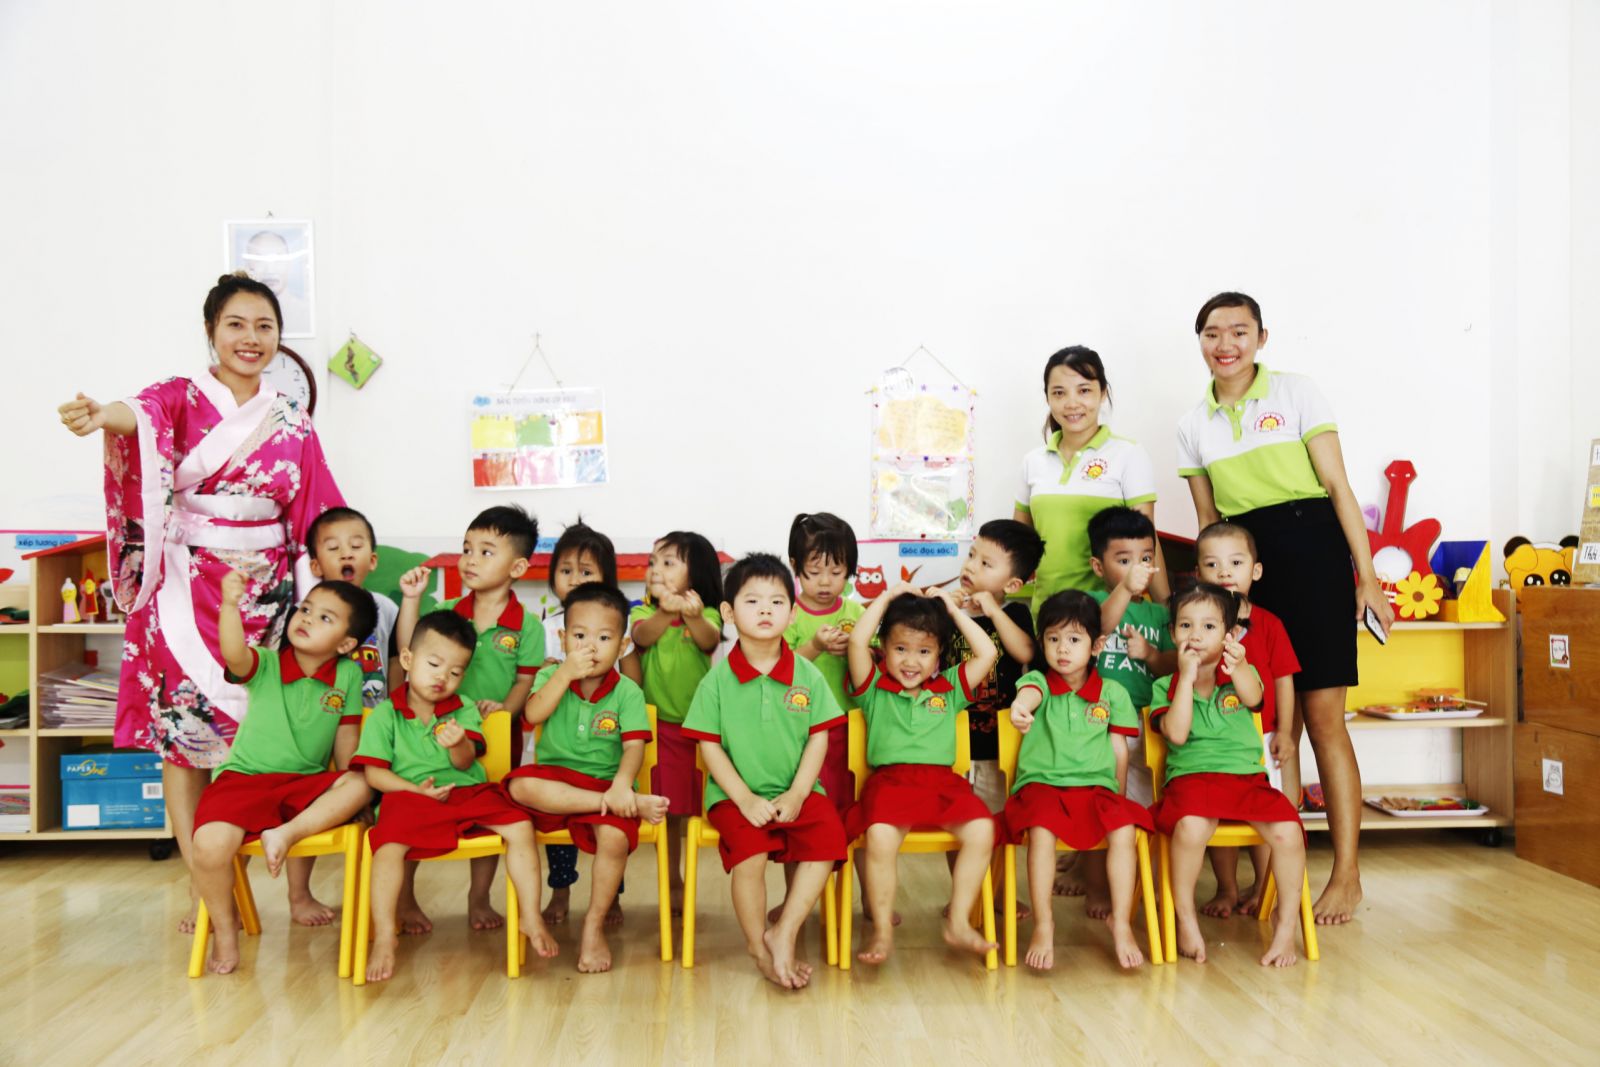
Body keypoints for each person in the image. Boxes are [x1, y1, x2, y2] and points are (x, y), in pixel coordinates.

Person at [56, 272, 346, 933]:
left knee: (286, 740)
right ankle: (204, 884)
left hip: (270, 593)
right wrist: (102, 415)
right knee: (184, 739)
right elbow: (136, 415)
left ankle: (297, 889)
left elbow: (316, 506)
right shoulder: (178, 397)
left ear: (279, 337)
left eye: (264, 326)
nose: (251, 338)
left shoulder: (291, 419)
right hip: (184, 588)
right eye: (235, 324)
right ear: (212, 331)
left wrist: (334, 586)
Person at [1177, 291, 1393, 924]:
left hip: (1313, 559)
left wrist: (1367, 578)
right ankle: (1268, 880)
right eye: (1212, 333)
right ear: (1200, 341)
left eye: (1238, 331)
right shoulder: (1192, 424)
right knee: (1265, 723)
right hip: (1241, 569)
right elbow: (1208, 519)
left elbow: (1337, 487)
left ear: (1261, 338)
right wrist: (1213, 596)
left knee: (1323, 720)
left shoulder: (1297, 392)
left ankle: (1346, 876)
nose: (1225, 344)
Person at [353, 610, 555, 983]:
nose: (442, 678)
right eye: (434, 665)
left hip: (466, 790)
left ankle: (530, 915)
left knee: (520, 826)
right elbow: (375, 774)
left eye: (456, 672)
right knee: (388, 846)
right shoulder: (385, 714)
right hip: (409, 796)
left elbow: (465, 763)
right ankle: (384, 935)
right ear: (408, 659)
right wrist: (415, 791)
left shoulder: (462, 709)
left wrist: (459, 743)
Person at [188, 573, 374, 973]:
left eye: (325, 618)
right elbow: (234, 654)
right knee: (209, 846)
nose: (306, 618)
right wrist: (230, 605)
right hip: (244, 780)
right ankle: (225, 929)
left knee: (361, 781)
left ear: (346, 644)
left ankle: (286, 838)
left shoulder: (348, 674)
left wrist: (350, 795)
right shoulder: (268, 662)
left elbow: (347, 738)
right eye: (306, 609)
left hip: (304, 784)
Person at [681, 553, 847, 989]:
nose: (765, 610)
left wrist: (798, 793)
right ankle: (758, 947)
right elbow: (709, 746)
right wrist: (744, 799)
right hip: (734, 797)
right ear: (729, 612)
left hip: (797, 791)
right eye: (752, 601)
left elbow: (818, 738)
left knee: (828, 839)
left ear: (792, 614)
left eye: (777, 602)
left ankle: (784, 931)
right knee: (751, 856)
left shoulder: (807, 674)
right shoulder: (716, 681)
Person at [394, 504, 544, 933]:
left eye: (485, 551)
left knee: (490, 810)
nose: (470, 560)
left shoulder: (527, 626)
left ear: (517, 567)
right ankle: (405, 898)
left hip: (495, 735)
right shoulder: (449, 612)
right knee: (419, 803)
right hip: (435, 730)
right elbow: (410, 650)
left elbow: (524, 681)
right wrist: (412, 601)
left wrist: (505, 711)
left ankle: (479, 898)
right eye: (466, 549)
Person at [504, 583, 669, 974]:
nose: (590, 647)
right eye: (579, 636)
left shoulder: (627, 692)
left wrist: (621, 786)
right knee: (519, 785)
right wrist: (564, 673)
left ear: (623, 645)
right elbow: (533, 715)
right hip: (555, 781)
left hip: (605, 783)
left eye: (604, 638)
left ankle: (593, 926)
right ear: (563, 639)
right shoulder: (550, 675)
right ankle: (619, 806)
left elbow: (634, 748)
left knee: (614, 837)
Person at [1150, 582, 1306, 967]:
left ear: (1230, 633)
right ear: (1172, 633)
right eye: (1185, 626)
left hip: (1246, 780)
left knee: (1289, 832)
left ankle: (1286, 927)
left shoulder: (1240, 674)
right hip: (1192, 779)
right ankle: (1185, 918)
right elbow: (1177, 734)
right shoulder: (1165, 686)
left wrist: (1238, 666)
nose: (1196, 635)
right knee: (1190, 829)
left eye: (1208, 627)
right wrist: (1185, 679)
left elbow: (1254, 698)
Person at [845, 583, 999, 966]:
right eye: (900, 649)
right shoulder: (874, 688)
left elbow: (988, 653)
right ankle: (882, 928)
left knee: (983, 829)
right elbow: (856, 642)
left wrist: (952, 611)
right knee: (880, 836)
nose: (911, 661)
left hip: (943, 785)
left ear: (939, 654)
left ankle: (959, 920)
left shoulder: (950, 689)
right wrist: (886, 598)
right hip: (890, 783)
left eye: (924, 651)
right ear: (884, 647)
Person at [1005, 590, 1153, 970]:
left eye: (1073, 639)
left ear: (1096, 645)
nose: (1062, 649)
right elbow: (1028, 695)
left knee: (1123, 831)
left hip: (1096, 788)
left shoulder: (1112, 692)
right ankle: (1044, 924)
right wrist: (1020, 708)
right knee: (1041, 832)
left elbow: (1119, 750)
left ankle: (1121, 922)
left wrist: (1117, 797)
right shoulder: (1038, 680)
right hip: (1042, 787)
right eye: (1053, 638)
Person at [289, 505, 398, 926]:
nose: (346, 553)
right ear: (316, 565)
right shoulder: (304, 614)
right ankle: (299, 894)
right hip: (321, 727)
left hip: (371, 728)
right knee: (308, 805)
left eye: (356, 545)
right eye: (333, 548)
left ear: (372, 559)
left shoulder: (385, 608)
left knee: (384, 811)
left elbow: (396, 661)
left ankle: (393, 900)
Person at [1068, 506, 1177, 913]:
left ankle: (1140, 886)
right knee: (1098, 804)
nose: (1138, 568)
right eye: (1124, 560)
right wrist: (1126, 590)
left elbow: (1173, 664)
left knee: (1140, 808)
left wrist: (1151, 654)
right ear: (1099, 566)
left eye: (1146, 558)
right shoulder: (1093, 602)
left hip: (1143, 727)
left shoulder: (1161, 615)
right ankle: (1097, 886)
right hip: (1097, 724)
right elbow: (1098, 626)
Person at [1195, 521, 1303, 918]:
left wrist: (1286, 732)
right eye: (1212, 565)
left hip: (1263, 735)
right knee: (1219, 812)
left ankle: (1261, 886)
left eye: (1236, 563)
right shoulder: (1198, 625)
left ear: (1255, 571)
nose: (1224, 572)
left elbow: (1284, 680)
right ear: (1198, 574)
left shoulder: (1270, 624)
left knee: (1264, 814)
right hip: (1215, 738)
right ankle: (1225, 888)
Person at [1014, 345, 1169, 614]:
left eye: (1084, 390)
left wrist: (1166, 608)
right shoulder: (1033, 461)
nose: (1072, 403)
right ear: (1047, 397)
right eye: (1059, 393)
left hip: (1112, 616)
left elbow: (1146, 541)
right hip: (1049, 618)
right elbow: (1016, 547)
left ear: (1103, 393)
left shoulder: (1129, 454)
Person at [533, 520, 626, 927]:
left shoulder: (616, 624)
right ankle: (561, 890)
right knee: (559, 832)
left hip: (603, 747)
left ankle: (611, 896)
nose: (574, 579)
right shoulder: (548, 625)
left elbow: (627, 677)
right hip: (560, 746)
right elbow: (537, 691)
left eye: (586, 571)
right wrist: (559, 671)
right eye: (566, 570)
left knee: (612, 831)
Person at [630, 531, 723, 912]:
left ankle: (695, 875)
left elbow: (709, 640)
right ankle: (672, 879)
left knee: (694, 807)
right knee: (665, 810)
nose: (656, 569)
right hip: (659, 728)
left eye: (668, 562)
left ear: (695, 572)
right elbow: (641, 636)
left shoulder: (707, 614)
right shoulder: (642, 612)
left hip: (699, 729)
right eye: (653, 562)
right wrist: (666, 612)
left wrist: (691, 615)